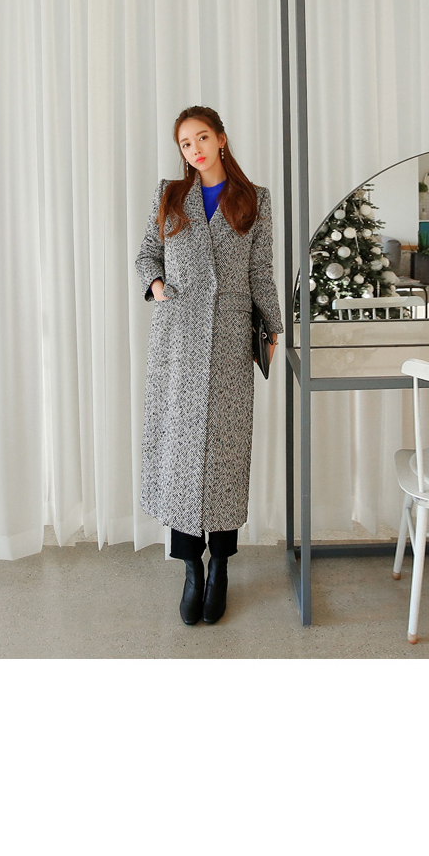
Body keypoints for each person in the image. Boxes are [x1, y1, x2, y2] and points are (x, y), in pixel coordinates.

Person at [134, 106, 283, 626]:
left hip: (229, 341)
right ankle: (190, 567)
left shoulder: (254, 199)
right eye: (184, 143)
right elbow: (147, 255)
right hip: (176, 341)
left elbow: (261, 271)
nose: (194, 149)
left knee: (223, 456)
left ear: (221, 139)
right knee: (180, 457)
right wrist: (157, 286)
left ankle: (220, 564)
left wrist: (274, 328)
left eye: (201, 137)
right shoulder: (170, 195)